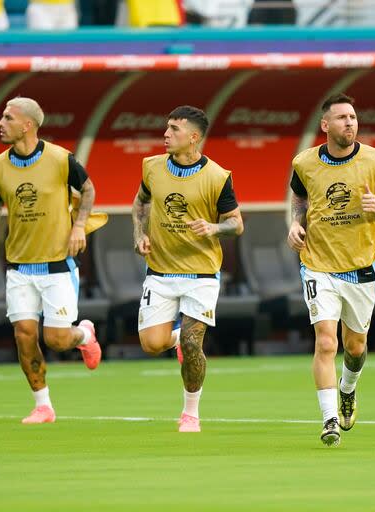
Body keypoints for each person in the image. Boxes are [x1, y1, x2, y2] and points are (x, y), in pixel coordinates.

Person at [0, 97, 102, 424]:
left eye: (7, 118)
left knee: (56, 340)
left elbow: (87, 190)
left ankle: (84, 334)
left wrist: (79, 227)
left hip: (57, 264)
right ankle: (43, 405)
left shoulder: (61, 159)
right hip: (19, 266)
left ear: (27, 125)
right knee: (24, 334)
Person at [287, 93, 375, 446]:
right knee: (326, 341)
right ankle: (328, 421)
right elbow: (299, 197)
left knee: (355, 347)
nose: (349, 123)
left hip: (360, 268)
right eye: (342, 118)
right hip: (318, 265)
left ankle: (348, 389)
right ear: (326, 125)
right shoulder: (304, 163)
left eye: (353, 117)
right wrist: (295, 225)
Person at [132, 105, 243, 433]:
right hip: (161, 273)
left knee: (194, 345)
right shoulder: (151, 167)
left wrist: (213, 228)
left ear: (193, 137)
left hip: (201, 274)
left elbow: (236, 224)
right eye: (166, 128)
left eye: (174, 129)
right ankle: (177, 336)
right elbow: (140, 203)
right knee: (152, 345)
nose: (166, 134)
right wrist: (140, 234)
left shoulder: (217, 177)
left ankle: (190, 413)